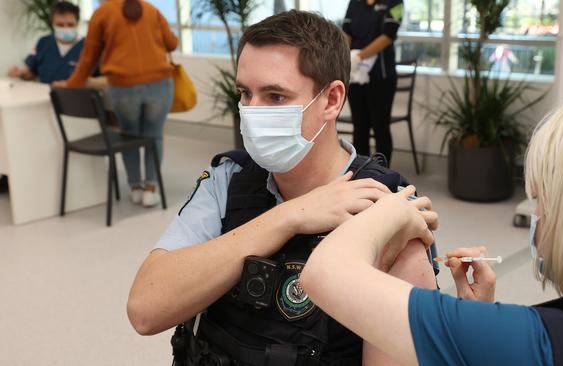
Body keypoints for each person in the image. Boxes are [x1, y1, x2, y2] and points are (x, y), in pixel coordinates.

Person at [126, 10, 437, 366]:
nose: (252, 112)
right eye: (245, 93)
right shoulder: (228, 180)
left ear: (332, 100)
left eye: (275, 97)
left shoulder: (384, 207)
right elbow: (145, 310)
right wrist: (289, 217)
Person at [301, 88, 563, 365]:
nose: (537, 216)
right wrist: (479, 328)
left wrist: (388, 211)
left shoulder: (550, 342)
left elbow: (325, 273)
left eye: (542, 201)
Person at [54, 0, 178, 207]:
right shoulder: (151, 9)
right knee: (154, 135)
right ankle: (151, 189)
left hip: (123, 87)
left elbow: (88, 58)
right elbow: (172, 43)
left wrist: (70, 84)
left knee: (128, 134)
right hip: (160, 85)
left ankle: (135, 187)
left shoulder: (102, 13)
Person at [342, 0, 403, 164]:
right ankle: (361, 173)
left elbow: (388, 35)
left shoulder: (395, 3)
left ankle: (383, 174)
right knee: (359, 127)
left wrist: (359, 56)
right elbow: (346, 32)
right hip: (356, 75)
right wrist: (347, 57)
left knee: (380, 127)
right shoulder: (354, 3)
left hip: (381, 76)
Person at [7, 1, 85, 84]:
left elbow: (98, 79)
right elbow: (31, 73)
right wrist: (20, 73)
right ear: (53, 24)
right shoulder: (44, 43)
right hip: (44, 94)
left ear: (77, 24)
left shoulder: (88, 46)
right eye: (60, 25)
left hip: (78, 95)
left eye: (70, 24)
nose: (65, 28)